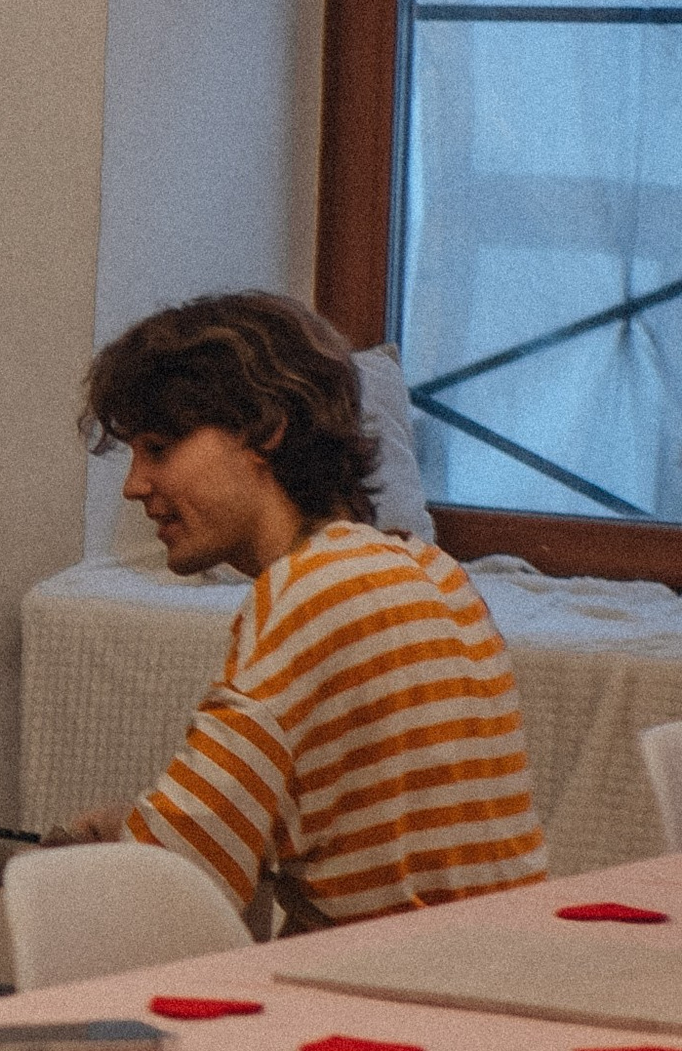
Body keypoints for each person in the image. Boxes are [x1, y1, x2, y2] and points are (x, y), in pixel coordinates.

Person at [65, 291, 545, 930]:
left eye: (157, 448)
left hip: (388, 997)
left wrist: (84, 856)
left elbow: (174, 885)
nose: (135, 485)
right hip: (483, 973)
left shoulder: (307, 595)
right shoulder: (431, 571)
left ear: (264, 430)